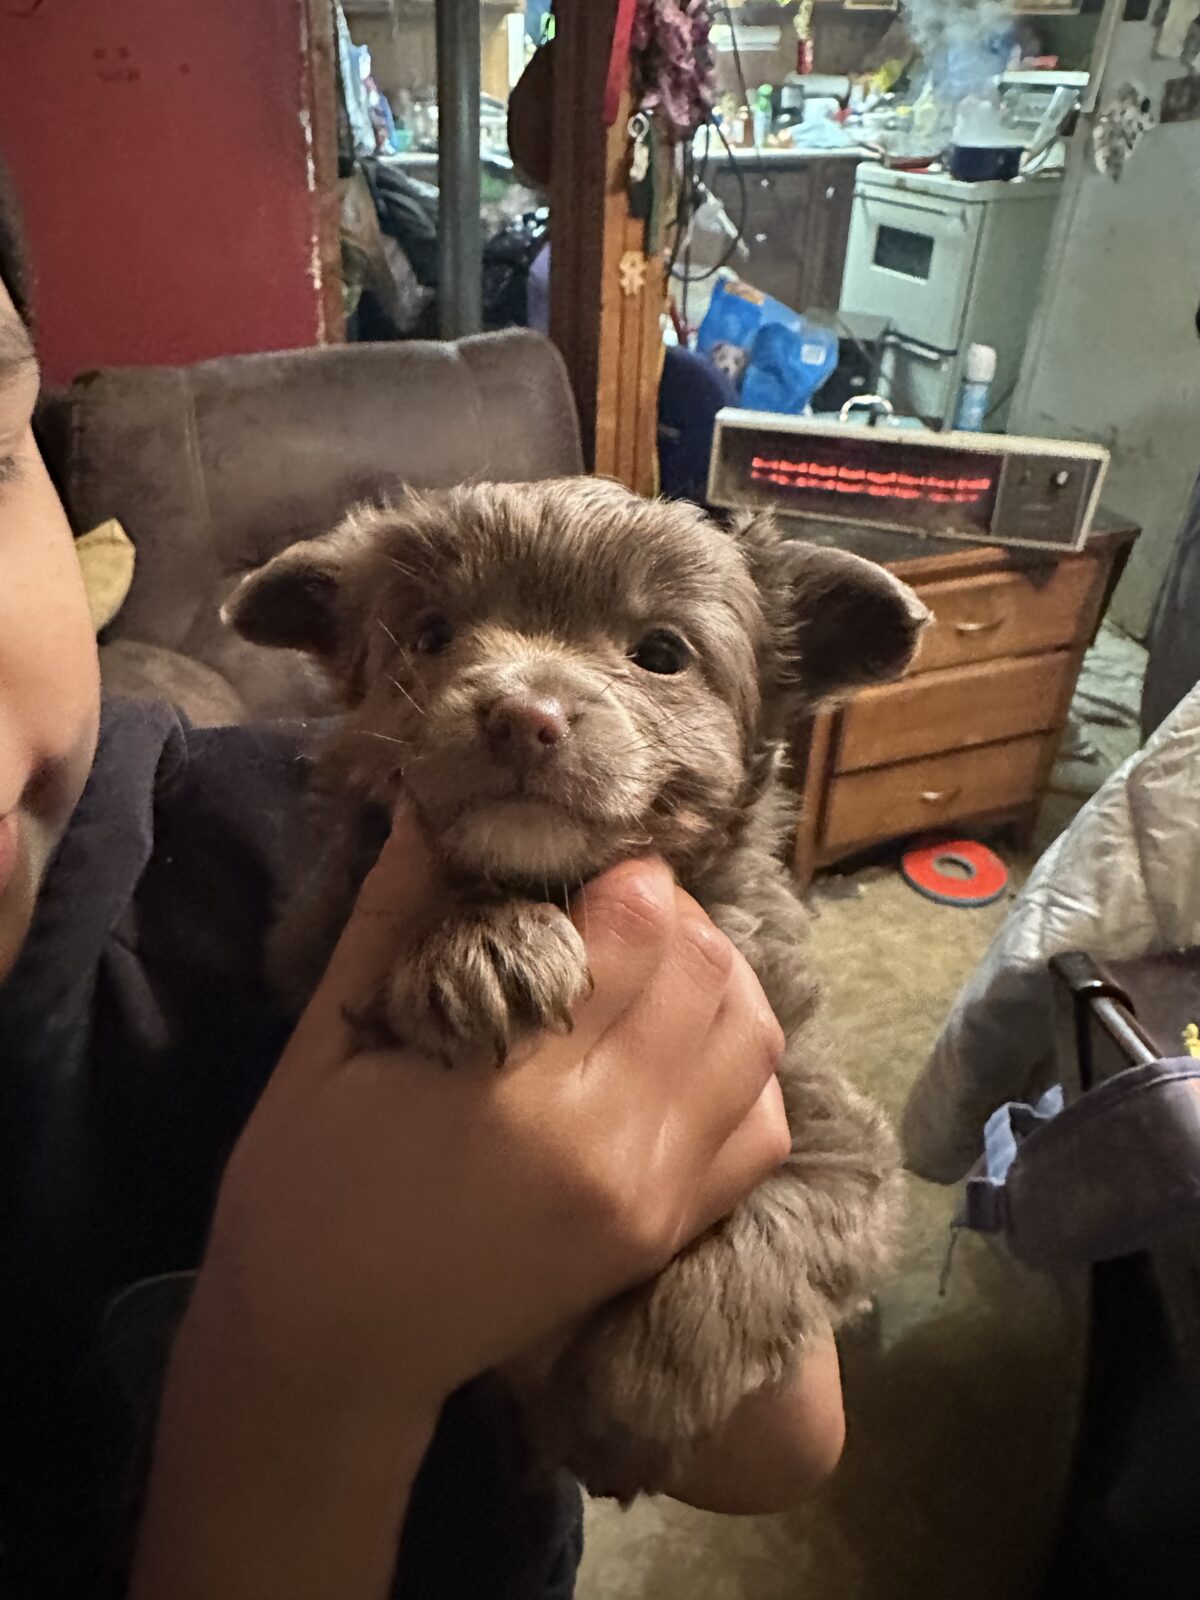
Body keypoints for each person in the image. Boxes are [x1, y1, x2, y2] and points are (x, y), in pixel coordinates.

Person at [0, 158, 844, 1600]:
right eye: (439, 635)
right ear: (344, 659)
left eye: (653, 654)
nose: (526, 703)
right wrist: (308, 1367)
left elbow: (782, 1443)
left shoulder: (224, 835)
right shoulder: (313, 884)